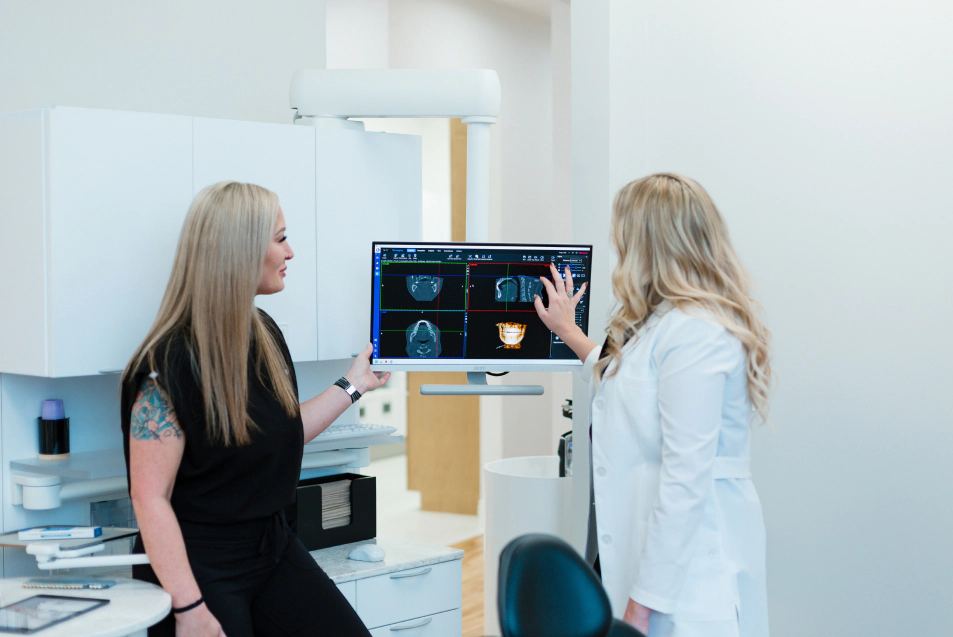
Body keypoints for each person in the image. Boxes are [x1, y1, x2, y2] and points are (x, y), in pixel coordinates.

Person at [119, 181, 388, 637]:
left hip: (274, 549)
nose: (291, 252)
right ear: (240, 251)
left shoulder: (262, 333)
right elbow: (149, 498)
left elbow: (279, 433)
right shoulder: (164, 368)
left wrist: (355, 383)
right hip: (200, 565)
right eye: (280, 238)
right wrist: (189, 609)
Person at [534, 173, 772, 637]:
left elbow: (687, 477)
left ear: (648, 245)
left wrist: (643, 606)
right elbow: (627, 379)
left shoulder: (697, 332)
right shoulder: (661, 322)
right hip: (654, 566)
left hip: (689, 583)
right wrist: (570, 333)